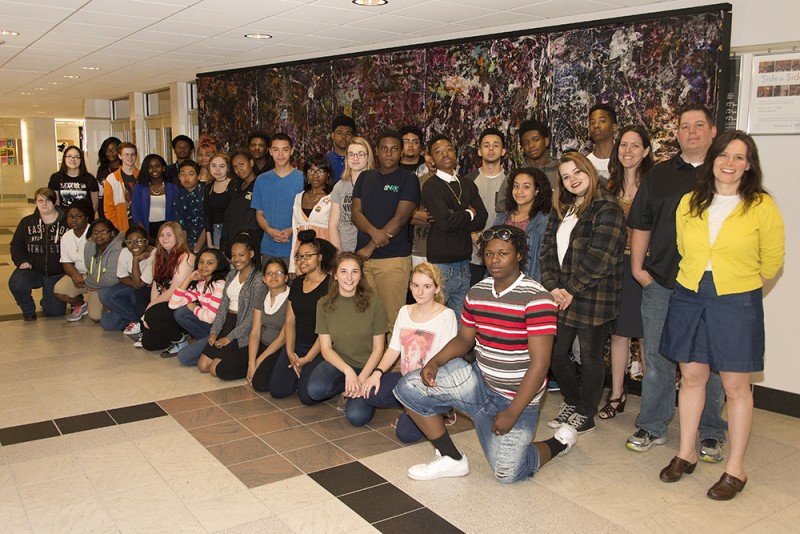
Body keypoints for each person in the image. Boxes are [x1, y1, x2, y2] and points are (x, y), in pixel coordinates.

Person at [393, 225, 577, 483]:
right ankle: (451, 459)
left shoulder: (537, 298)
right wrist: (435, 362)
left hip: (516, 398)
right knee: (408, 387)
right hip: (480, 383)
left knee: (508, 473)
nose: (495, 260)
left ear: (519, 255)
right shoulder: (477, 292)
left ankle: (558, 442)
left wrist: (512, 412)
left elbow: (540, 364)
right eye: (489, 254)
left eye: (503, 253)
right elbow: (464, 338)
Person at [657, 131, 784, 500]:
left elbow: (772, 260)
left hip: (736, 299)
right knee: (692, 377)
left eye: (739, 157)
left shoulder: (761, 206)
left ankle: (735, 468)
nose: (730, 163)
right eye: (724, 155)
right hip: (690, 293)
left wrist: (740, 287)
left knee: (734, 386)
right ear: (712, 158)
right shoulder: (689, 202)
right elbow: (683, 246)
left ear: (749, 165)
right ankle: (686, 452)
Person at [626, 104, 728, 460]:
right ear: (678, 133)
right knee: (657, 357)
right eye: (685, 126)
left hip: (710, 286)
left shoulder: (726, 172)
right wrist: (639, 270)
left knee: (709, 360)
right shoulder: (661, 175)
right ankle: (653, 424)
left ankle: (711, 430)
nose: (693, 131)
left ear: (712, 131)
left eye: (700, 125)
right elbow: (641, 223)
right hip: (663, 282)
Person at [539, 152, 626, 434]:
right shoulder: (562, 206)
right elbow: (547, 250)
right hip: (562, 294)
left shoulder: (607, 206)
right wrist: (553, 286)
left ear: (589, 170)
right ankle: (573, 401)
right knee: (555, 353)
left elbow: (601, 256)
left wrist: (570, 289)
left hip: (594, 295)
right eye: (566, 176)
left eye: (577, 172)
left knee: (589, 357)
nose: (573, 179)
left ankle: (586, 411)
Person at [357, 262, 458, 442]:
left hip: (429, 384)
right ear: (410, 285)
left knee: (405, 435)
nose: (420, 292)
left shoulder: (446, 315)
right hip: (405, 379)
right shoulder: (405, 311)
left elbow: (446, 360)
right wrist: (376, 373)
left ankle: (440, 410)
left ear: (437, 288)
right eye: (415, 285)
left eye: (427, 286)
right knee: (371, 393)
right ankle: (409, 407)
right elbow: (394, 348)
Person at [600, 125, 654, 420]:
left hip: (645, 268)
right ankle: (617, 394)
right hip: (615, 268)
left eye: (635, 146)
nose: (628, 151)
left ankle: (651, 401)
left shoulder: (654, 185)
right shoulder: (609, 187)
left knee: (647, 334)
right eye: (623, 145)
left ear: (646, 151)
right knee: (619, 334)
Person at [351, 130, 421, 334]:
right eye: (384, 149)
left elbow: (400, 219)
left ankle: (396, 366)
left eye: (394, 149)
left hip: (393, 260)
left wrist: (370, 247)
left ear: (400, 152)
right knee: (367, 319)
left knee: (393, 321)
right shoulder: (364, 177)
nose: (389, 154)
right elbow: (356, 214)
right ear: (377, 152)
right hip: (364, 259)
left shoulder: (408, 179)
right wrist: (373, 234)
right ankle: (372, 364)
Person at [306, 253, 388, 417]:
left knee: (357, 417)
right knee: (314, 391)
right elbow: (326, 349)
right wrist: (349, 372)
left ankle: (353, 392)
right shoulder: (323, 304)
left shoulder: (375, 303)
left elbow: (379, 348)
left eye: (354, 272)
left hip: (367, 367)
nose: (349, 277)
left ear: (360, 275)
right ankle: (346, 388)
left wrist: (362, 378)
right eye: (343, 271)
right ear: (335, 275)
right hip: (339, 364)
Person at [422, 134, 487, 321]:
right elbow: (445, 222)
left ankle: (457, 352)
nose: (445, 154)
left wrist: (457, 215)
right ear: (432, 159)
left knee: (460, 317)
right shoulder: (431, 186)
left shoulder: (467, 184)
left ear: (455, 153)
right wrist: (468, 213)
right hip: (441, 263)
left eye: (449, 149)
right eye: (438, 152)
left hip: (464, 261)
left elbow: (482, 218)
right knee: (435, 316)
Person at [268, 230, 336, 403]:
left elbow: (328, 330)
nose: (302, 261)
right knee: (277, 390)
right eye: (299, 256)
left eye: (308, 256)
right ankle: (299, 374)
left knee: (307, 398)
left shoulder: (331, 285)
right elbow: (290, 321)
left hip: (320, 346)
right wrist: (290, 351)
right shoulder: (297, 282)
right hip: (296, 344)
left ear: (320, 257)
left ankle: (317, 376)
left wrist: (308, 359)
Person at [198, 232, 264, 379]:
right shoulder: (232, 274)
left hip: (242, 326)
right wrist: (215, 331)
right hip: (227, 321)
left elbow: (252, 316)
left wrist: (230, 337)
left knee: (215, 370)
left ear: (251, 253)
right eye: (233, 256)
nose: (236, 259)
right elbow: (223, 306)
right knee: (203, 366)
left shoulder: (258, 279)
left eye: (241, 255)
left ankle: (252, 365)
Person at [9, 187, 67, 320]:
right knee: (17, 283)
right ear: (35, 202)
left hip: (56, 273)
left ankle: (48, 299)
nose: (44, 204)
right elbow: (16, 246)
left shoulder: (66, 223)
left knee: (54, 313)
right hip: (34, 269)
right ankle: (28, 311)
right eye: (40, 200)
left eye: (47, 200)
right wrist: (21, 261)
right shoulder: (27, 222)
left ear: (54, 202)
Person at [138, 222, 194, 350]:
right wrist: (152, 306)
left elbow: (175, 290)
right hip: (165, 303)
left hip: (181, 302)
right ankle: (177, 331)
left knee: (152, 313)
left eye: (169, 235)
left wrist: (149, 309)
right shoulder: (158, 255)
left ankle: (180, 340)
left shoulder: (186, 257)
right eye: (161, 235)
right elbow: (155, 284)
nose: (164, 238)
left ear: (178, 236)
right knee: (150, 344)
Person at [252, 133, 305, 266]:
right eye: (276, 149)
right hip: (269, 248)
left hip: (299, 248)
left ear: (292, 151)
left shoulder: (303, 179)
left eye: (285, 149)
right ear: (270, 151)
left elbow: (308, 215)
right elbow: (259, 214)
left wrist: (292, 230)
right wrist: (269, 230)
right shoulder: (261, 180)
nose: (280, 154)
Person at [170, 248, 230, 364]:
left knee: (183, 357)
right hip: (210, 329)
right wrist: (189, 279)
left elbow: (210, 318)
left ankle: (219, 351)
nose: (204, 266)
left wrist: (193, 307)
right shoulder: (201, 284)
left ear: (218, 265)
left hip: (221, 331)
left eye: (210, 263)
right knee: (180, 313)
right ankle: (208, 347)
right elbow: (173, 304)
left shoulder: (220, 285)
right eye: (201, 262)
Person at [493, 167, 551, 282]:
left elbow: (544, 262)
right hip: (500, 282)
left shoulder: (543, 221)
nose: (519, 191)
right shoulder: (502, 217)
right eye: (516, 186)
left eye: (526, 187)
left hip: (529, 283)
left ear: (537, 190)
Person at [465, 127, 507, 285]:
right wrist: (474, 237)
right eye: (486, 145)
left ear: (503, 151)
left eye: (496, 145)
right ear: (479, 151)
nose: (491, 149)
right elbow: (460, 214)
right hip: (472, 256)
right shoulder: (467, 181)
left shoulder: (511, 181)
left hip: (501, 255)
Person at [99, 226, 154, 333]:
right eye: (130, 242)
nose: (134, 245)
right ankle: (136, 319)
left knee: (135, 296)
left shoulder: (154, 254)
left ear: (146, 241)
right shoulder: (125, 251)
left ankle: (140, 320)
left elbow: (140, 286)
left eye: (139, 241)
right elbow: (121, 277)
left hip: (146, 293)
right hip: (132, 286)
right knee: (108, 323)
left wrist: (135, 260)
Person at [247, 258, 291, 392]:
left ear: (286, 277)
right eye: (269, 273)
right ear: (264, 279)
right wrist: (251, 363)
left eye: (278, 273)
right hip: (263, 343)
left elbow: (283, 338)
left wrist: (259, 361)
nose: (273, 276)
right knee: (221, 370)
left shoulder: (291, 298)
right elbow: (255, 331)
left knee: (259, 384)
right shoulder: (262, 295)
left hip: (280, 349)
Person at [329, 137, 374, 253]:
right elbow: (333, 224)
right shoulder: (340, 186)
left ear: (368, 157)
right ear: (347, 158)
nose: (355, 158)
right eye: (351, 154)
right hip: (347, 249)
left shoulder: (377, 183)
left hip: (371, 249)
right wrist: (338, 252)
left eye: (361, 154)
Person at [289, 154, 332, 274]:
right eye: (311, 171)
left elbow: (336, 231)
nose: (315, 175)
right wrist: (292, 266)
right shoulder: (298, 197)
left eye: (321, 171)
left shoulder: (333, 197)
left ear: (328, 174)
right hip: (302, 259)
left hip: (324, 257)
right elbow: (295, 232)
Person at [52, 200, 93, 321]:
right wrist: (75, 275)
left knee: (96, 316)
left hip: (98, 277)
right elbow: (66, 261)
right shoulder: (66, 236)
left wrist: (87, 277)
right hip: (78, 275)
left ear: (86, 218)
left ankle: (98, 302)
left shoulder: (95, 234)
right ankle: (81, 305)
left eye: (78, 216)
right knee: (59, 291)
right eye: (70, 216)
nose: (73, 220)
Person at [220, 148, 263, 256]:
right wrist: (224, 245)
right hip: (232, 244)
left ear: (251, 162)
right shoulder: (234, 186)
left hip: (251, 245)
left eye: (241, 164)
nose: (239, 169)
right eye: (235, 167)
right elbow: (228, 217)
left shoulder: (261, 185)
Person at [82, 218, 124, 323]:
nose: (99, 235)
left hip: (114, 285)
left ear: (112, 233)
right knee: (61, 290)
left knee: (96, 316)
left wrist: (88, 281)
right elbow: (89, 268)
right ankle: (82, 304)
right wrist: (90, 282)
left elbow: (112, 279)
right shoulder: (89, 245)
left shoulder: (118, 247)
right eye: (95, 232)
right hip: (96, 283)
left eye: (104, 232)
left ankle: (114, 304)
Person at [131, 154, 178, 240]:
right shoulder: (139, 187)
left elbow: (176, 212)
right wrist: (144, 233)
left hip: (168, 229)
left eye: (157, 166)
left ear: (163, 168)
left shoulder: (173, 188)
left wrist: (170, 231)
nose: (154, 169)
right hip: (146, 228)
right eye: (150, 167)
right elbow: (136, 213)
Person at [48, 146, 99, 213]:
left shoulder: (90, 178)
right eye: (69, 156)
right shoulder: (56, 177)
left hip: (84, 219)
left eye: (77, 157)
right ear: (64, 158)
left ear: (81, 160)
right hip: (63, 218)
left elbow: (95, 204)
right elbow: (55, 202)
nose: (73, 159)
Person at [103, 141, 139, 234]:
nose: (130, 157)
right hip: (122, 226)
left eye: (132, 154)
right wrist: (116, 228)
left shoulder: (142, 176)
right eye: (126, 154)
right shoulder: (111, 179)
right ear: (120, 156)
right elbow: (108, 209)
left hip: (140, 224)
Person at [204, 151, 237, 249]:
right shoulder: (208, 187)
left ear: (227, 168)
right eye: (213, 166)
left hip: (231, 231)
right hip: (214, 230)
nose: (217, 170)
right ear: (209, 167)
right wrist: (209, 241)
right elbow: (207, 215)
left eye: (222, 166)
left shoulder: (234, 185)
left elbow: (234, 214)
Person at [174, 160, 207, 254]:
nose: (186, 178)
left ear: (199, 176)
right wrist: (185, 248)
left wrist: (197, 248)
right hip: (186, 244)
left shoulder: (206, 193)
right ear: (179, 177)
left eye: (191, 174)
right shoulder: (180, 196)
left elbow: (208, 224)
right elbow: (181, 224)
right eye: (183, 174)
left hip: (206, 242)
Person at [518, 118, 559, 189]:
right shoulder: (516, 175)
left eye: (535, 140)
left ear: (546, 141)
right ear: (523, 148)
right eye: (526, 143)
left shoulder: (561, 171)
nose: (531, 145)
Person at [586, 103, 618, 186]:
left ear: (614, 127)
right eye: (592, 122)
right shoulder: (585, 164)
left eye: (602, 121)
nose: (596, 125)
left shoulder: (624, 160)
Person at [96, 136, 121, 218]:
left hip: (120, 210)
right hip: (104, 209)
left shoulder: (125, 169)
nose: (110, 153)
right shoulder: (102, 170)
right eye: (107, 150)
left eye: (113, 150)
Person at [326, 114, 356, 184]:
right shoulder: (326, 160)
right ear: (332, 135)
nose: (344, 137)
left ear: (353, 137)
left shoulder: (358, 160)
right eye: (339, 133)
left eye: (348, 134)